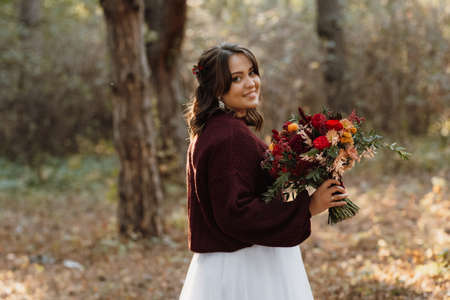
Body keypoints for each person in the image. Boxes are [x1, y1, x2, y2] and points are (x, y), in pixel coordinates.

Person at [179, 43, 348, 300]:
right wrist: (308, 207)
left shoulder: (218, 130)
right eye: (236, 78)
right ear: (216, 88)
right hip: (245, 268)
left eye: (252, 72)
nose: (250, 83)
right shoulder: (227, 136)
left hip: (237, 261)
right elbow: (235, 212)